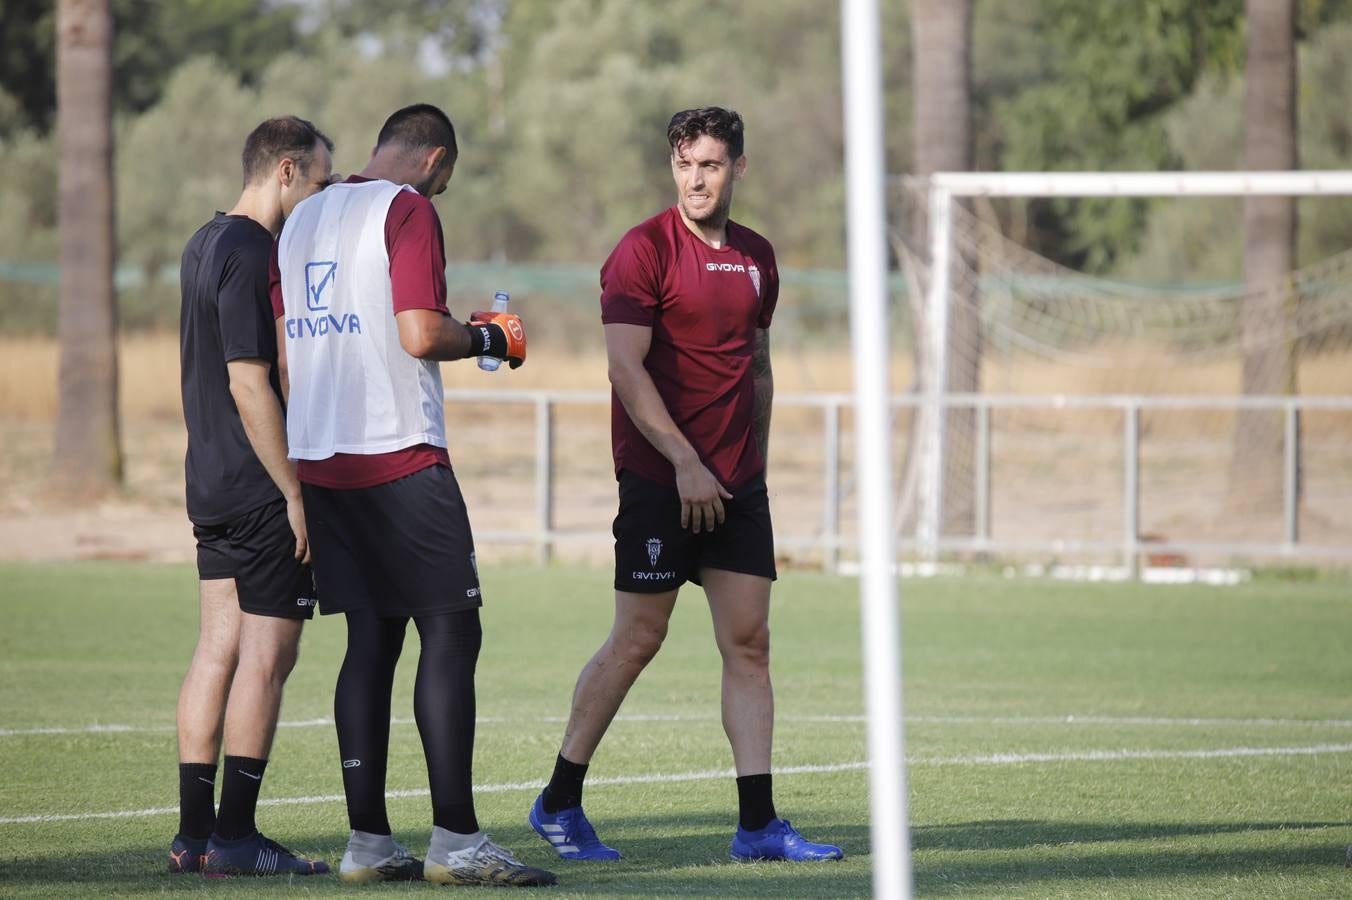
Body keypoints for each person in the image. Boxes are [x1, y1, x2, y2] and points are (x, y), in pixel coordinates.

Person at [527, 107, 843, 864]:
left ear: (738, 167)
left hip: (737, 485)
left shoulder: (759, 257)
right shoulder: (641, 250)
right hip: (661, 479)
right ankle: (559, 803)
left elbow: (757, 368)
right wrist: (685, 462)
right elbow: (623, 368)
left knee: (750, 645)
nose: (695, 179)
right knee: (639, 637)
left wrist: (752, 466)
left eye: (709, 165)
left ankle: (757, 825)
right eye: (683, 165)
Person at [271, 102, 554, 888]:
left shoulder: (301, 221)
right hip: (398, 452)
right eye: (447, 180)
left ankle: (367, 843)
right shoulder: (407, 209)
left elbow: (292, 355)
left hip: (322, 457)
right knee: (451, 633)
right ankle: (457, 841)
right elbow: (420, 333)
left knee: (370, 643)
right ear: (433, 160)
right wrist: (492, 336)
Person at [172, 115, 335, 877]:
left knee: (218, 650)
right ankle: (236, 839)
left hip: (208, 480)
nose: (321, 197)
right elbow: (247, 378)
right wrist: (294, 490)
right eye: (320, 183)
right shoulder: (252, 249)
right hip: (258, 486)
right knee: (267, 657)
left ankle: (194, 836)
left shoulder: (202, 241)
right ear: (286, 173)